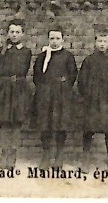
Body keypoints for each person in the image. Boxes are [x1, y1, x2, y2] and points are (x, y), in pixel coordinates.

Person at [0, 20, 33, 170]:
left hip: (18, 89)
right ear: (8, 33)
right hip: (3, 89)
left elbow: (24, 70)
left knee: (16, 123)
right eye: (12, 32)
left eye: (17, 32)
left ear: (22, 34)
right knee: (4, 122)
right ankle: (4, 153)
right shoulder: (0, 51)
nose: (14, 35)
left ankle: (13, 155)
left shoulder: (26, 52)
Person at [77, 26, 108, 172]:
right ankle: (85, 161)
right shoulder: (89, 60)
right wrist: (87, 94)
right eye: (99, 41)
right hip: (92, 101)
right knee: (88, 131)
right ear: (95, 42)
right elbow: (82, 80)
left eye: (105, 41)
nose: (102, 44)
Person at [32, 27, 78, 169]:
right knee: (45, 125)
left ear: (62, 40)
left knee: (60, 125)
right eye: (52, 38)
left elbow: (73, 74)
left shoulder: (68, 56)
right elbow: (36, 75)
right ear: (48, 40)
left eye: (57, 38)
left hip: (61, 96)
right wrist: (43, 88)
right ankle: (46, 155)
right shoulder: (43, 56)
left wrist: (63, 86)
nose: (54, 41)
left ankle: (59, 155)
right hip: (45, 95)